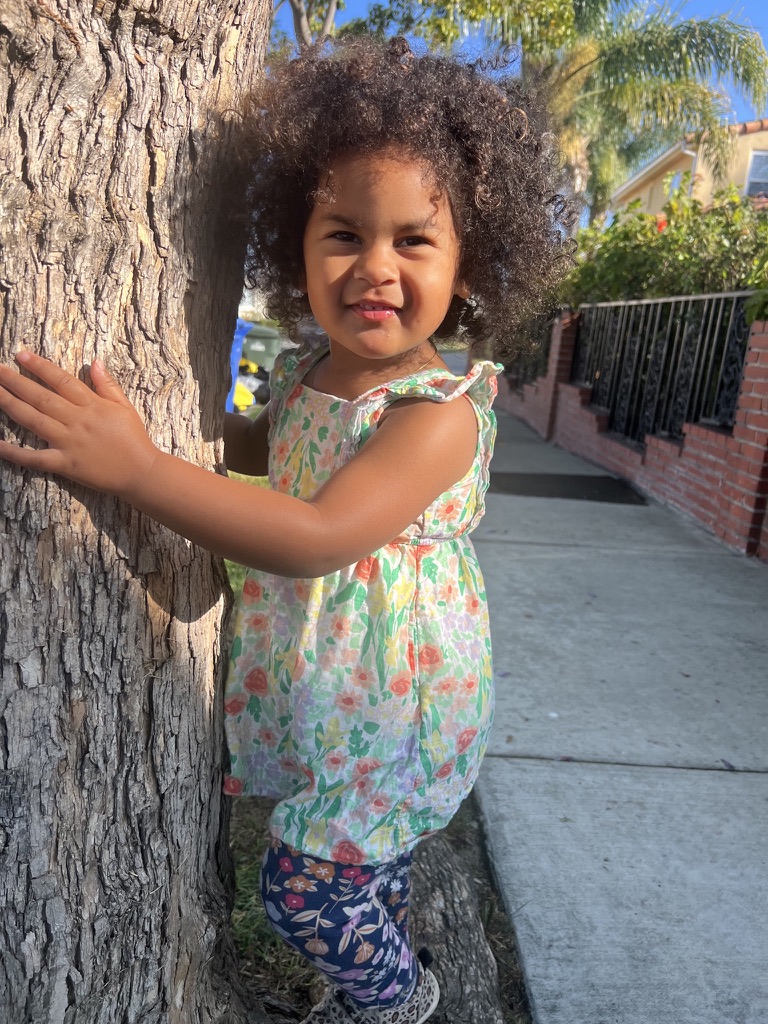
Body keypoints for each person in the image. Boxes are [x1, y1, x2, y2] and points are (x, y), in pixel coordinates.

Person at [0, 37, 570, 1024]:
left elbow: (314, 533)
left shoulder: (437, 415)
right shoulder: (312, 369)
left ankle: (400, 1002)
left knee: (304, 892)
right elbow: (259, 449)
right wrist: (166, 430)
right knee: (360, 867)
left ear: (469, 263)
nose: (375, 268)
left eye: (414, 241)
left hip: (396, 697)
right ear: (292, 245)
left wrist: (137, 469)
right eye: (343, 233)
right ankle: (375, 977)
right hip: (338, 684)